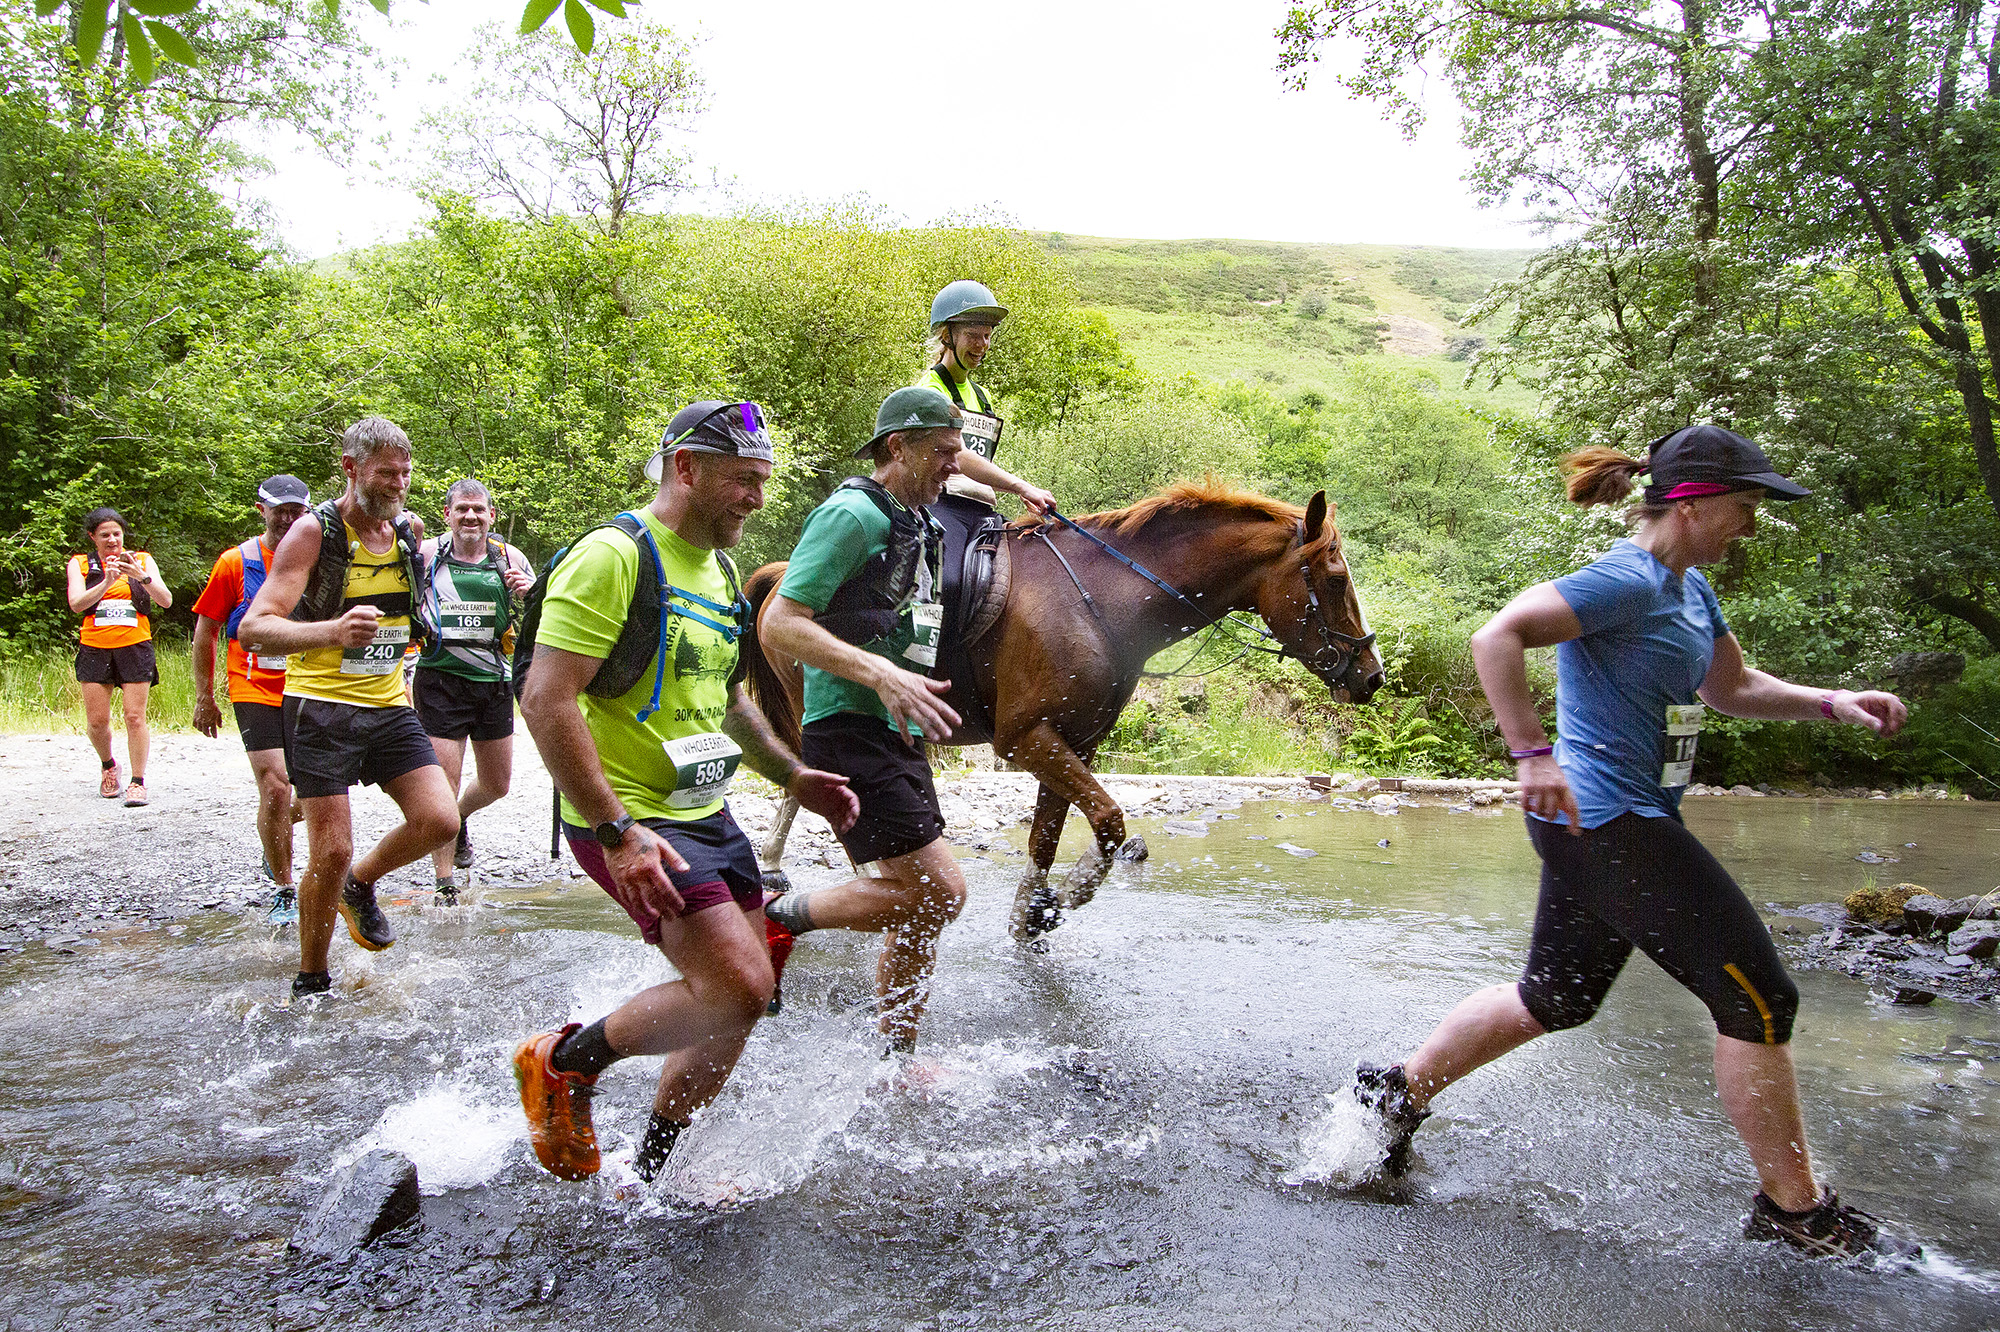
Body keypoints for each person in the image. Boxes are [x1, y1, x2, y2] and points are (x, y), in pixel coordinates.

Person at [1346, 425, 1917, 1261]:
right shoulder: (1626, 578)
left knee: (1556, 996)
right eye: (1746, 507)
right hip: (1609, 821)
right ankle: (1797, 1212)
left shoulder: (1689, 589)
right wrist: (1531, 754)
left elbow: (1733, 688)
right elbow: (1495, 636)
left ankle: (1396, 1092)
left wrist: (1834, 701)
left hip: (1611, 822)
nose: (1750, 527)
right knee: (1759, 998)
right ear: (1690, 503)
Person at [513, 399, 857, 1183]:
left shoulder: (722, 569)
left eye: (763, 481)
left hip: (707, 812)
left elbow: (729, 700)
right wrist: (617, 832)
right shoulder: (614, 557)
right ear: (687, 467)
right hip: (631, 818)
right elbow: (546, 698)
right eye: (742, 480)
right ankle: (562, 1061)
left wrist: (792, 772)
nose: (757, 500)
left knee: (748, 991)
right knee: (735, 986)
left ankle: (653, 1173)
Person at [760, 386, 972, 1056]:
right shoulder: (851, 515)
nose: (956, 463)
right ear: (895, 448)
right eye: (943, 450)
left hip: (891, 732)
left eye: (959, 449)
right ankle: (776, 918)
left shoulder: (923, 523)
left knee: (912, 905)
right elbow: (778, 624)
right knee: (939, 892)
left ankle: (897, 1056)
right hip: (850, 728)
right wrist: (874, 680)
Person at [238, 417, 460, 998]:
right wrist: (333, 631)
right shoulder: (314, 533)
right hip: (321, 707)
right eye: (387, 473)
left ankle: (359, 886)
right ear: (351, 468)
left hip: (389, 704)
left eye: (405, 473)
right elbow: (256, 630)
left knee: (441, 819)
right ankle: (312, 978)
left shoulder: (408, 533)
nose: (399, 484)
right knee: (331, 850)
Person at [191, 475, 312, 917]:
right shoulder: (234, 562)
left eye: (296, 510)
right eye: (279, 509)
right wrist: (205, 696)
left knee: (318, 789)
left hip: (307, 686)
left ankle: (271, 836)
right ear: (261, 509)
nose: (287, 517)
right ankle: (284, 888)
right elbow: (205, 630)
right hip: (253, 684)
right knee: (276, 788)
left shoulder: (317, 556)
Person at [414, 478, 534, 902]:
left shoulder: (508, 556)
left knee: (496, 784)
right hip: (439, 680)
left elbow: (539, 612)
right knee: (444, 783)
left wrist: (528, 592)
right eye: (462, 509)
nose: (471, 517)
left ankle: (457, 818)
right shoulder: (427, 554)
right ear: (447, 514)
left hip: (493, 681)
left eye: (479, 510)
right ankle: (444, 882)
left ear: (491, 516)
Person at [921, 279, 1056, 531]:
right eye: (972, 336)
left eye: (987, 336)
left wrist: (1015, 491)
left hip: (982, 508)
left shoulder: (982, 396)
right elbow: (959, 456)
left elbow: (980, 463)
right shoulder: (931, 390)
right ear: (946, 336)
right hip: (943, 506)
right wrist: (1021, 485)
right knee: (946, 572)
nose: (982, 345)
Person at [67, 507, 171, 806]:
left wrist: (141, 577)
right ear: (93, 537)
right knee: (97, 721)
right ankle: (109, 765)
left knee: (135, 716)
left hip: (135, 645)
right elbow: (76, 604)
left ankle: (138, 781)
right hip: (95, 646)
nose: (112, 540)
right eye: (105, 535)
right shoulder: (80, 564)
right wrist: (107, 581)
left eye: (116, 533)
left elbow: (166, 600)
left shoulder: (141, 560)